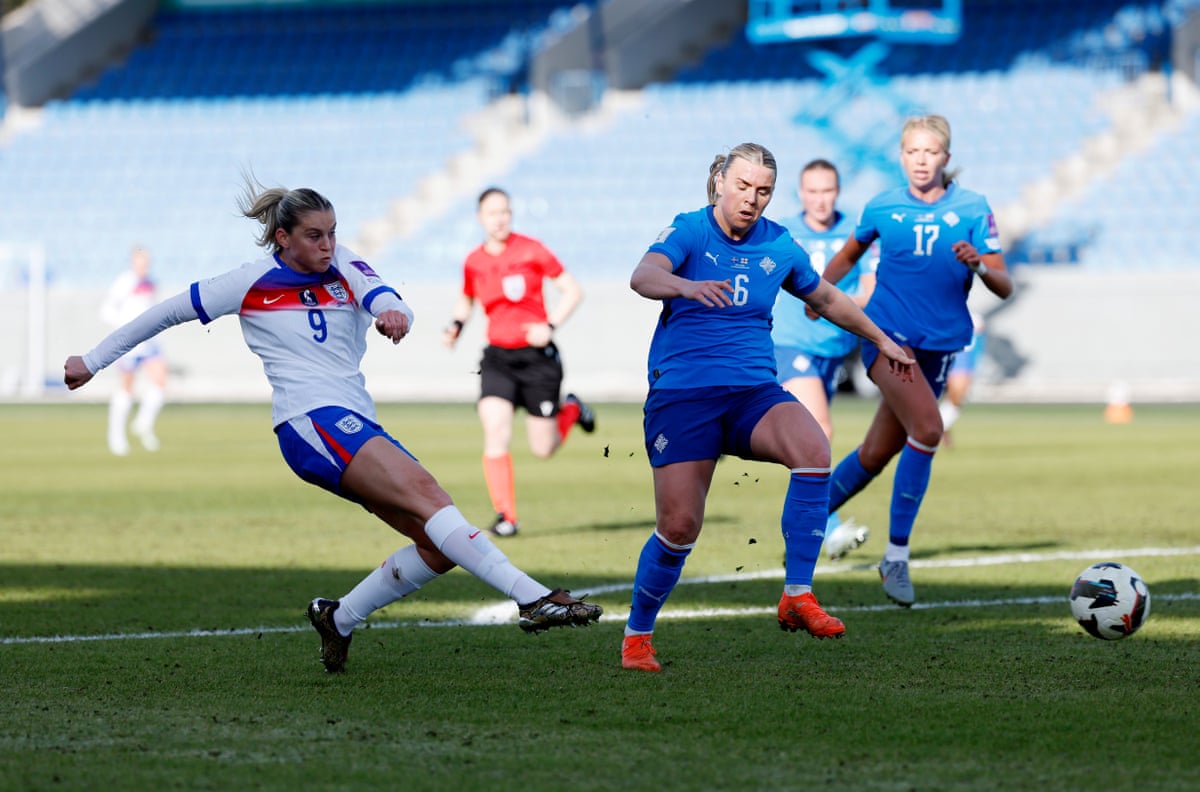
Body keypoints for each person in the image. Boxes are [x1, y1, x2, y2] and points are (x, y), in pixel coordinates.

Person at [64, 178, 602, 674]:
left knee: (437, 546)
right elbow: (164, 312)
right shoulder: (250, 282)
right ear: (283, 238)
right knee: (428, 494)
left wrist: (396, 315)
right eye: (314, 235)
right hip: (309, 422)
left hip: (354, 419)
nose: (328, 245)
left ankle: (338, 618)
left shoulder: (345, 264)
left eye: (333, 232)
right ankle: (532, 597)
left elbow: (387, 298)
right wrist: (91, 360)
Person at [620, 143, 915, 672]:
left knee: (813, 450)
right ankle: (638, 635)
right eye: (742, 187)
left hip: (754, 393)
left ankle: (797, 594)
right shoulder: (688, 230)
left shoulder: (779, 243)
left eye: (762, 191)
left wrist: (882, 339)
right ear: (719, 183)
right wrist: (686, 287)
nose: (751, 199)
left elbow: (824, 299)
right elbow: (643, 276)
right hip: (684, 397)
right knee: (680, 526)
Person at [821, 115, 1013, 607]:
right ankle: (896, 558)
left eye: (930, 153)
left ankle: (802, 521)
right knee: (927, 430)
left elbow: (1003, 283)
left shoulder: (973, 207)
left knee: (875, 454)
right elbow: (848, 254)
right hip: (887, 338)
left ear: (946, 158)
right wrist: (817, 291)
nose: (921, 161)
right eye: (912, 152)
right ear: (901, 156)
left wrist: (978, 265)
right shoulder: (883, 205)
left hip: (940, 347)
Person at [443, 187, 595, 538]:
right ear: (480, 218)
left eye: (505, 212)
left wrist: (550, 325)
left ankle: (571, 409)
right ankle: (506, 517)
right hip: (497, 358)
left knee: (543, 448)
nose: (499, 219)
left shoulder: (531, 249)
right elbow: (466, 300)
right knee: (495, 432)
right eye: (492, 213)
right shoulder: (474, 261)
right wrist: (455, 326)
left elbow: (573, 290)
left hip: (538, 360)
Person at [771, 159, 877, 561]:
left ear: (837, 191)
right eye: (812, 191)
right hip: (789, 344)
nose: (820, 199)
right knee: (822, 432)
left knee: (809, 445)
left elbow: (871, 289)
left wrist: (830, 303)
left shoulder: (857, 232)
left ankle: (803, 530)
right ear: (801, 194)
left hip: (833, 349)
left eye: (826, 191)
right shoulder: (784, 233)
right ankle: (824, 527)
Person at [99, 245, 169, 455]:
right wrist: (126, 327)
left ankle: (143, 424)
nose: (144, 266)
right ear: (133, 262)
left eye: (147, 262)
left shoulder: (151, 282)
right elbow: (106, 310)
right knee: (127, 388)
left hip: (149, 342)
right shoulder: (124, 282)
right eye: (141, 261)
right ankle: (116, 435)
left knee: (160, 380)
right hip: (130, 344)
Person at [938, 311, 986, 447]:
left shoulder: (971, 316)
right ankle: (938, 427)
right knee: (955, 399)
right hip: (958, 365)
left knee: (955, 401)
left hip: (961, 364)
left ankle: (940, 426)